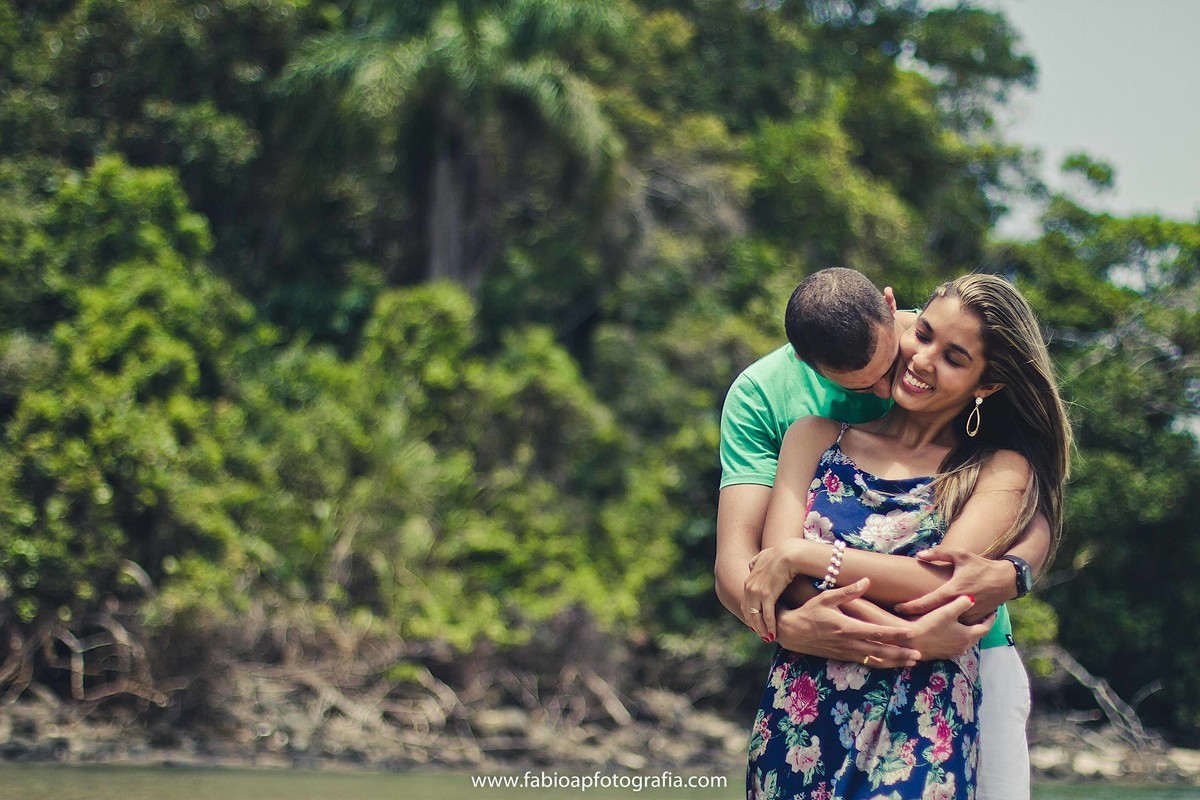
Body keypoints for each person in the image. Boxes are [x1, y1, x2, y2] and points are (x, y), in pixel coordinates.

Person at [715, 268, 1053, 799]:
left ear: (896, 307)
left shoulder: (991, 455)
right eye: (920, 342)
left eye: (951, 357)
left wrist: (808, 556)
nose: (910, 367)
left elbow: (946, 577)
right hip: (808, 688)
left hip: (945, 680)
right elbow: (752, 566)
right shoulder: (787, 413)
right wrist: (887, 638)